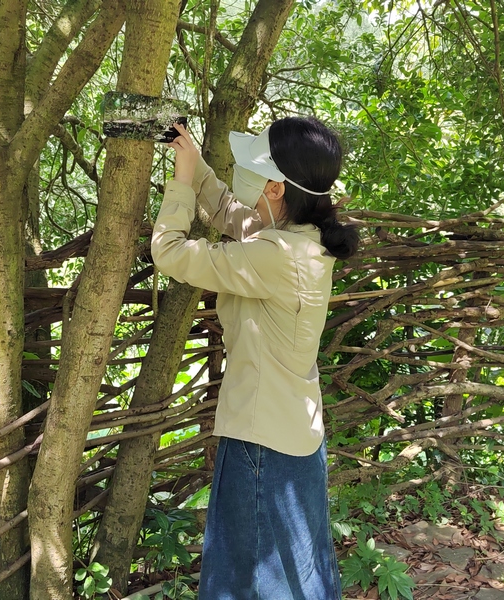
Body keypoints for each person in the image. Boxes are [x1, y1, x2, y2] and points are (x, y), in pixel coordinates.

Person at [150, 117, 358, 600]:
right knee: (292, 572)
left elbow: (171, 252)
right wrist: (193, 160)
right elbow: (231, 213)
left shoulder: (277, 255)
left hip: (263, 442)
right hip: (291, 434)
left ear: (275, 188)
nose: (242, 179)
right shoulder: (304, 239)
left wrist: (180, 184)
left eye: (250, 169)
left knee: (254, 581)